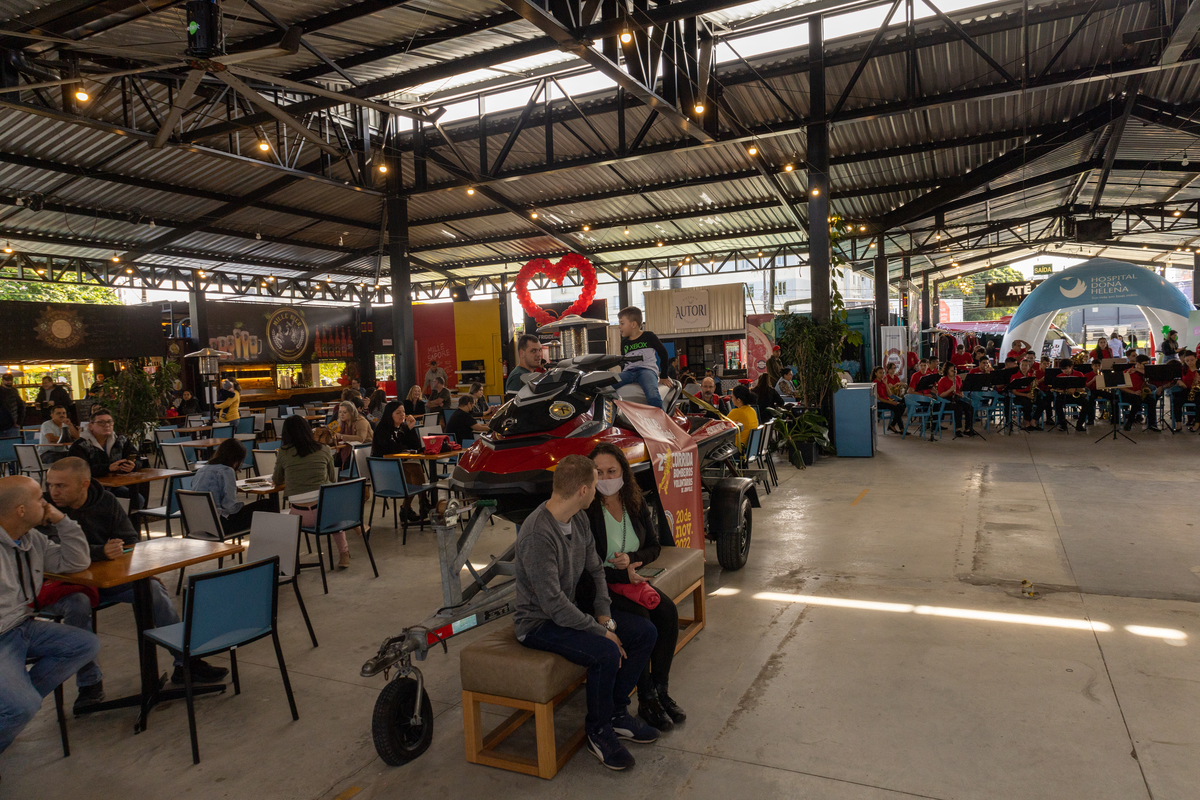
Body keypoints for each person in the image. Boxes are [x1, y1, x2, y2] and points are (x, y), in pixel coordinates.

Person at [43, 458, 227, 706]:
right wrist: (100, 552)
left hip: (108, 581)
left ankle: (186, 662)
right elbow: (55, 553)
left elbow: (130, 540)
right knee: (78, 604)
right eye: (50, 485)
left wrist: (128, 559)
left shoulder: (106, 501)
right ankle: (89, 683)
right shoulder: (44, 510)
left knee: (152, 589)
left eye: (61, 486)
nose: (53, 491)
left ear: (84, 484)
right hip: (64, 585)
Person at [514, 454, 658, 771]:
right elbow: (553, 605)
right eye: (595, 484)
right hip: (538, 624)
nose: (598, 490)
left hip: (568, 613)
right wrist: (601, 631)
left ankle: (617, 713)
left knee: (644, 633)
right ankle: (598, 731)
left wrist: (604, 614)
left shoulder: (578, 519)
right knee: (606, 651)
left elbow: (596, 570)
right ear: (583, 490)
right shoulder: (538, 534)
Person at [581, 443, 686, 731]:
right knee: (642, 620)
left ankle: (661, 691)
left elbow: (654, 546)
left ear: (623, 473)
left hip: (631, 582)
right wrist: (621, 575)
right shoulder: (587, 510)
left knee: (668, 612)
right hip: (599, 588)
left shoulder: (634, 502)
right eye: (599, 472)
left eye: (611, 471)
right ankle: (646, 697)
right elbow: (584, 571)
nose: (605, 478)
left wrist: (632, 560)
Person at [0, 475, 101, 755]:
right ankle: (16, 707)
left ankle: (13, 704)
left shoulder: (31, 538)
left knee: (85, 644)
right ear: (21, 510)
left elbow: (76, 562)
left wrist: (64, 522)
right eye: (39, 499)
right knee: (22, 708)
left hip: (23, 625)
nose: (47, 504)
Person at [272, 416, 348, 568]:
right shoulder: (324, 449)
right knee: (334, 511)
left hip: (299, 517)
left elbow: (277, 479)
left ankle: (288, 562)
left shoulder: (283, 452)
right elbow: (332, 480)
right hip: (325, 514)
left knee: (281, 518)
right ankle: (344, 553)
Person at [67, 407, 143, 511]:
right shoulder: (80, 445)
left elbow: (137, 457)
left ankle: (127, 521)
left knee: (137, 501)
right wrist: (107, 468)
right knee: (111, 504)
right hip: (90, 488)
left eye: (109, 422)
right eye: (101, 422)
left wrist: (133, 466)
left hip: (116, 486)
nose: (106, 425)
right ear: (91, 426)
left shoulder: (120, 440)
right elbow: (77, 471)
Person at [192, 439, 275, 534]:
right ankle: (271, 538)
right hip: (220, 525)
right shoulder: (227, 471)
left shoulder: (201, 470)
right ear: (236, 459)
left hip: (200, 525)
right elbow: (229, 507)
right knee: (268, 504)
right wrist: (241, 505)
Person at [371, 401, 428, 522]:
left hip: (396, 466)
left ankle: (413, 507)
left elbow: (416, 446)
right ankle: (419, 505)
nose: (402, 415)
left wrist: (411, 428)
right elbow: (391, 448)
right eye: (398, 412)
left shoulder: (402, 428)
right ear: (390, 414)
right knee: (414, 470)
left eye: (403, 412)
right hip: (382, 470)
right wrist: (406, 449)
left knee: (415, 472)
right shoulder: (382, 429)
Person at [616, 306, 671, 411]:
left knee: (652, 393)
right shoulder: (624, 342)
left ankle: (661, 416)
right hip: (629, 372)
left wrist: (664, 375)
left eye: (622, 323)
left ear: (633, 324)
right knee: (608, 385)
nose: (619, 326)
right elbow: (623, 361)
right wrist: (623, 374)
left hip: (647, 370)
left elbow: (663, 353)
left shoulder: (649, 336)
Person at [1120, 356, 1160, 432]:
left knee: (1152, 401)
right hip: (1128, 394)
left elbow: (1151, 374)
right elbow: (1121, 387)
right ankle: (1130, 421)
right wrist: (1133, 392)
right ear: (1138, 364)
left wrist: (1137, 370)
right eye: (1144, 364)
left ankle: (1152, 424)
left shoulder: (1143, 372)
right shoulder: (1127, 372)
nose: (1146, 366)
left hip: (1140, 393)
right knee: (1137, 400)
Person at [936, 363, 977, 437]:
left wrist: (961, 393)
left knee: (969, 407)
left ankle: (968, 429)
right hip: (946, 400)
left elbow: (960, 389)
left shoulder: (958, 378)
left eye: (955, 370)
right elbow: (940, 395)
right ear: (947, 371)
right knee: (958, 408)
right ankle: (958, 429)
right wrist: (950, 390)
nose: (954, 372)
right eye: (952, 371)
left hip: (956, 398)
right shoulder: (942, 380)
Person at [1051, 359, 1089, 432]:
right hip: (1064, 395)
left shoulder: (1079, 374)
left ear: (1071, 367)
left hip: (1076, 395)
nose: (1064, 371)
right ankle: (1062, 424)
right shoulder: (1059, 376)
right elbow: (1056, 389)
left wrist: (1075, 390)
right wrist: (1065, 391)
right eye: (1062, 369)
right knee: (1057, 403)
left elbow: (1084, 388)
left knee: (1086, 404)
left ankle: (1079, 424)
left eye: (1066, 369)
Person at [872, 367, 905, 434]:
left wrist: (886, 384)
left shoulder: (883, 382)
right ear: (876, 373)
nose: (882, 374)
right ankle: (902, 428)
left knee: (902, 405)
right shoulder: (874, 383)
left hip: (886, 400)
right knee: (896, 407)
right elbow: (878, 398)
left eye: (883, 373)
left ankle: (892, 425)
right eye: (880, 373)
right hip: (879, 402)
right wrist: (890, 402)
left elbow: (889, 394)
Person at [727, 384, 759, 451]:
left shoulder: (736, 412)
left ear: (738, 400)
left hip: (738, 449)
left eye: (732, 397)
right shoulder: (752, 410)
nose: (731, 399)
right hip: (750, 448)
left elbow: (722, 426)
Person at [0, 374, 23, 438]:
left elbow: (21, 407)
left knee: (14, 441)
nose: (9, 382)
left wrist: (19, 422)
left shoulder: (14, 391)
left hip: (12, 424)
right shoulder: (13, 391)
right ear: (2, 380)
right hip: (7, 423)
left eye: (10, 380)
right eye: (7, 380)